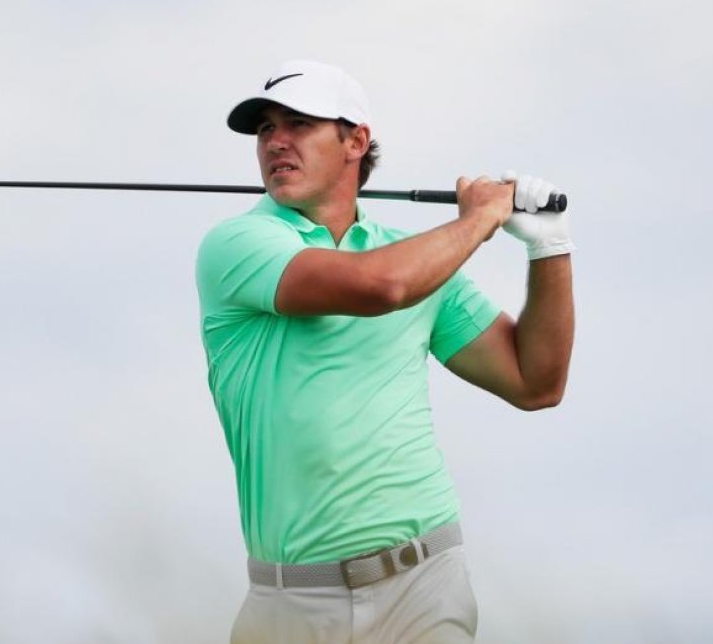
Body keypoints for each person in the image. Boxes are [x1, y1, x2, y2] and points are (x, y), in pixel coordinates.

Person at [195, 60, 575, 644]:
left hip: (424, 580)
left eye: (298, 123)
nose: (276, 142)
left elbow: (535, 382)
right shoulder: (238, 245)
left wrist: (550, 248)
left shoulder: (421, 262)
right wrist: (480, 219)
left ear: (355, 141)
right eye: (266, 129)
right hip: (290, 600)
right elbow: (379, 288)